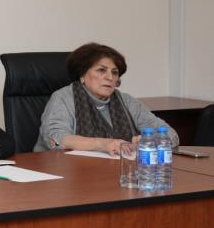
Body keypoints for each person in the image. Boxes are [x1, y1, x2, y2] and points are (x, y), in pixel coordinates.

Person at [35, 42, 178, 154]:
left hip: (114, 170)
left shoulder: (127, 101)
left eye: (114, 72)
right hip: (64, 171)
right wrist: (103, 144)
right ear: (82, 75)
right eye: (101, 70)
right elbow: (56, 139)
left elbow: (171, 135)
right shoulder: (64, 98)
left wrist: (152, 140)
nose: (110, 77)